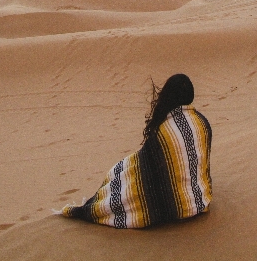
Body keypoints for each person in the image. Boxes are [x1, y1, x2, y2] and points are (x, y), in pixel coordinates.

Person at [61, 73, 212, 228]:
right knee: (128, 167)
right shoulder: (202, 123)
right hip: (199, 202)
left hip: (178, 212)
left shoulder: (164, 131)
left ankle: (95, 207)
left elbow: (147, 172)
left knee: (122, 174)